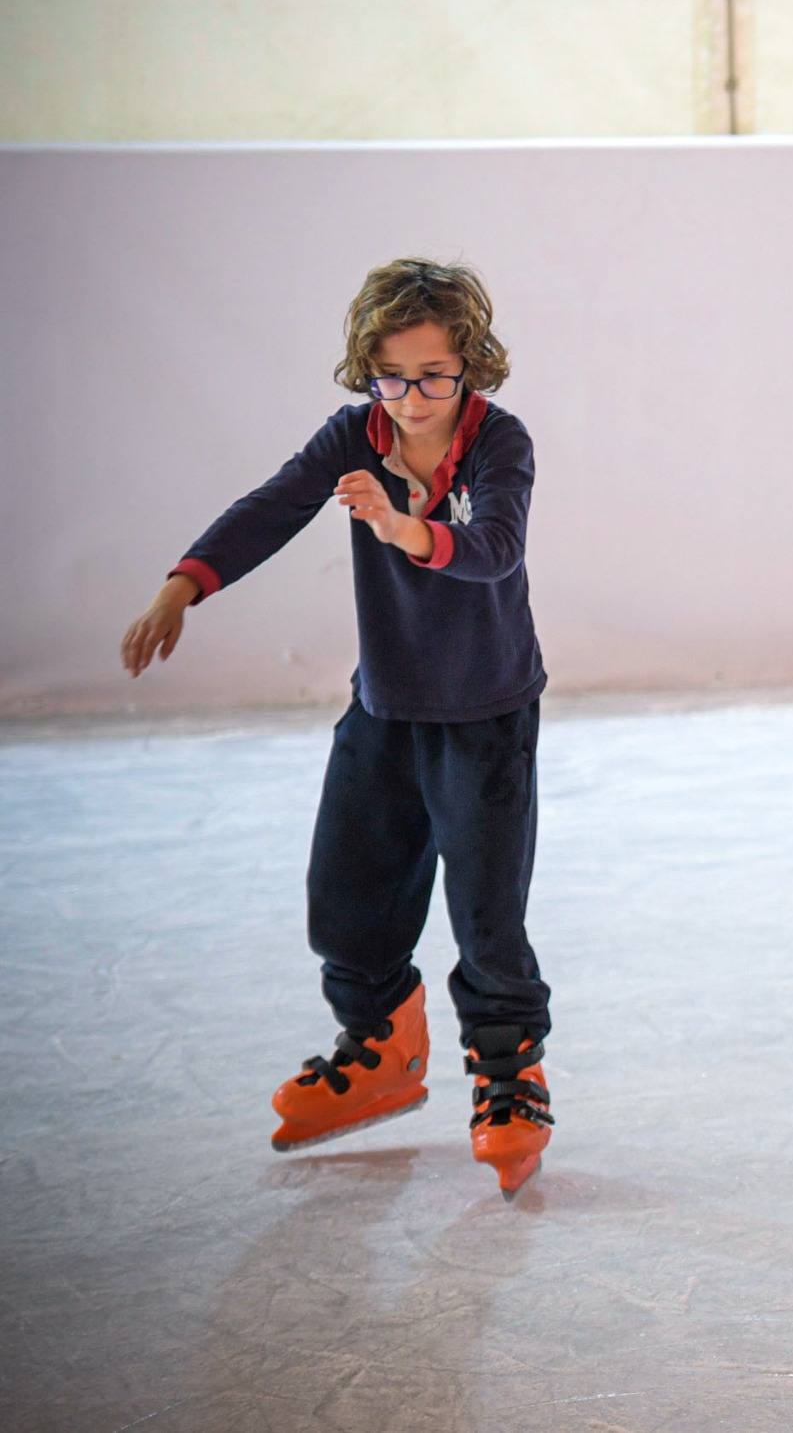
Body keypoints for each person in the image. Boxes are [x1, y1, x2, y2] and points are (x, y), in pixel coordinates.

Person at [117, 259, 554, 1196]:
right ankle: (381, 1048)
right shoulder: (356, 434)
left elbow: (495, 550)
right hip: (386, 705)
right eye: (391, 378)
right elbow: (273, 506)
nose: (413, 398)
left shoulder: (497, 446)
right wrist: (182, 585)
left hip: (484, 714)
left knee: (485, 914)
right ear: (369, 373)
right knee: (347, 894)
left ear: (470, 367)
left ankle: (511, 1075)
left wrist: (403, 527)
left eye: (435, 376)